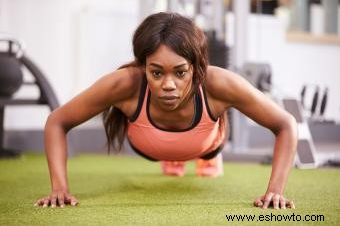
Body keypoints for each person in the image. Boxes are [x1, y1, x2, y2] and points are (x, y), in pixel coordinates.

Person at [35, 12, 297, 209]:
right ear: (144, 67)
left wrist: (276, 191)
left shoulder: (219, 83)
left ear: (196, 67)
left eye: (181, 72)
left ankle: (203, 156)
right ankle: (173, 157)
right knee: (168, 149)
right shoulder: (125, 83)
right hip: (146, 143)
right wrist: (60, 188)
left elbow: (285, 124)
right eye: (156, 72)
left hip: (206, 142)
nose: (168, 85)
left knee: (206, 147)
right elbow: (57, 121)